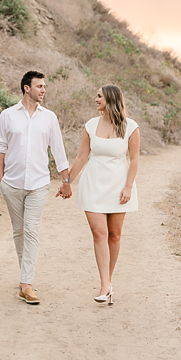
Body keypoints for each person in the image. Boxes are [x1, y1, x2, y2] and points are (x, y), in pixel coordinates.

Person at [0, 70, 71, 305]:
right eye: (39, 86)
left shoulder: (49, 118)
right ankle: (24, 277)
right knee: (19, 232)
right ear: (27, 88)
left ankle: (26, 284)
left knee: (31, 230)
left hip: (38, 184)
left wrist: (66, 181)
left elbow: (58, 150)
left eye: (44, 86)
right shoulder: (7, 116)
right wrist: (1, 181)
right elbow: (0, 147)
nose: (43, 90)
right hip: (12, 184)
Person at [61, 84, 140, 305]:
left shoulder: (130, 127)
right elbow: (81, 157)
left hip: (119, 185)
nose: (95, 100)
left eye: (99, 96)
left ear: (111, 100)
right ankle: (104, 284)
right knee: (99, 234)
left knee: (114, 235)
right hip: (93, 184)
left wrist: (128, 187)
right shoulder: (90, 125)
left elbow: (134, 160)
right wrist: (67, 181)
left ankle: (109, 281)